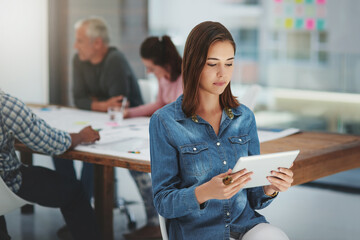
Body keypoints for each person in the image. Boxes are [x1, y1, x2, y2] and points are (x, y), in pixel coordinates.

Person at [149, 21, 294, 240]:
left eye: (229, 64)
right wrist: (205, 191)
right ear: (194, 64)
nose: (222, 73)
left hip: (244, 225)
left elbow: (254, 198)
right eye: (212, 64)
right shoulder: (165, 122)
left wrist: (270, 187)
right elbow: (163, 203)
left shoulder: (244, 117)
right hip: (196, 232)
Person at [53, 17, 161, 239]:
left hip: (129, 125)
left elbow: (119, 104)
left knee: (92, 157)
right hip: (98, 123)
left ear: (97, 43)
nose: (75, 46)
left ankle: (83, 216)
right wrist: (101, 104)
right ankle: (79, 214)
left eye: (80, 40)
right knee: (59, 150)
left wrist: (95, 102)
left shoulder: (115, 60)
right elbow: (79, 99)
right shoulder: (78, 60)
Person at [0, 90, 101, 240]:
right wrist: (80, 136)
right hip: (8, 183)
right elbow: (50, 143)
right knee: (75, 192)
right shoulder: (5, 105)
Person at [123, 35, 182, 118]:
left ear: (166, 64)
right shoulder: (163, 77)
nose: (148, 72)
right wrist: (129, 113)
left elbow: (179, 111)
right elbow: (159, 104)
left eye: (151, 68)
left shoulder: (184, 78)